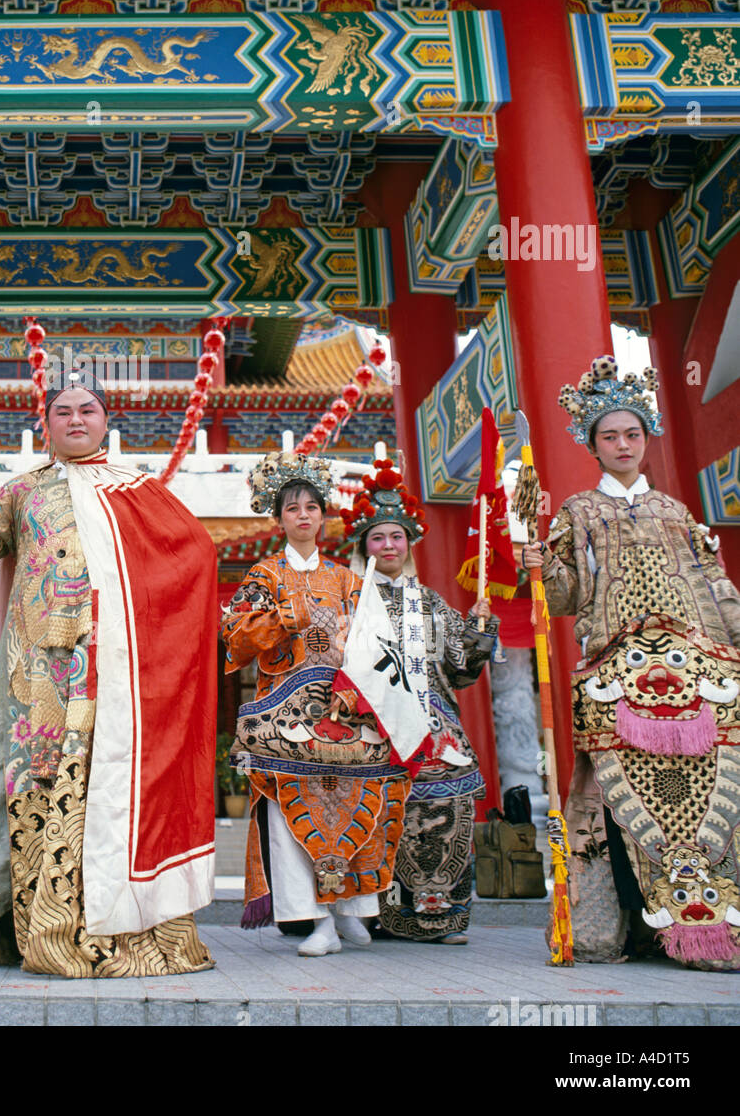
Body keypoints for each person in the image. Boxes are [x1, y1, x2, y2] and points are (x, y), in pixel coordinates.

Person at [0, 372, 217, 977]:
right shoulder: (21, 494)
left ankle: (130, 929)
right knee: (44, 799)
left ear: (107, 421)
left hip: (118, 681)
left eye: (88, 410)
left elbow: (195, 554)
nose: (76, 420)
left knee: (113, 798)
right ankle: (46, 934)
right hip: (40, 683)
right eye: (62, 412)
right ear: (46, 425)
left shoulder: (141, 492)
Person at [523, 356, 740, 969]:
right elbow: (565, 598)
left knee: (711, 796)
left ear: (647, 439)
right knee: (619, 801)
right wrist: (542, 568)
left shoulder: (677, 512)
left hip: (701, 677)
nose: (622, 445)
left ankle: (711, 924)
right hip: (619, 676)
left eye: (632, 435)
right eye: (610, 437)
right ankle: (615, 926)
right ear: (592, 446)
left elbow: (717, 588)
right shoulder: (578, 512)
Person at [222, 452, 409, 958]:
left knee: (352, 805)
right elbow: (234, 638)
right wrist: (284, 619)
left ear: (324, 516)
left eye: (311, 507)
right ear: (278, 518)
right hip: (287, 720)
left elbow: (377, 641)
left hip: (345, 712)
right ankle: (316, 918)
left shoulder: (349, 580)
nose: (303, 515)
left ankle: (350, 911)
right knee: (292, 814)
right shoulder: (264, 576)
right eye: (292, 508)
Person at [341, 457, 497, 943]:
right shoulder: (349, 601)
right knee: (381, 811)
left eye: (396, 537)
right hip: (371, 725)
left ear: (408, 543)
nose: (388, 546)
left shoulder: (427, 601)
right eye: (378, 538)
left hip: (433, 725)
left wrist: (480, 631)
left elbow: (459, 666)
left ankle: (441, 914)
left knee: (449, 795)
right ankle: (381, 914)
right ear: (363, 546)